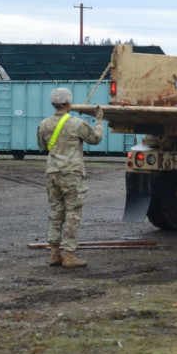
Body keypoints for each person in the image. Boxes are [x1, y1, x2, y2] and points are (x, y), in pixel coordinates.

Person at [37, 88, 104, 268]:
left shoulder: (44, 124)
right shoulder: (76, 123)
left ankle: (54, 253)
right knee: (73, 214)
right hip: (72, 174)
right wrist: (99, 121)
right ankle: (69, 255)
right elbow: (95, 139)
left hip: (52, 173)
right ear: (69, 103)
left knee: (56, 212)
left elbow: (42, 145)